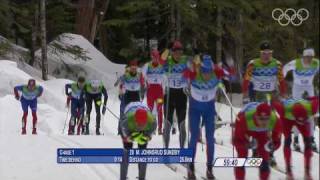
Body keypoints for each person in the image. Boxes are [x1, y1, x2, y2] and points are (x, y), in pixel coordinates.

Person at [183, 55, 224, 179]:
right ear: (201, 69)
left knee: (210, 139)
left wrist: (222, 85)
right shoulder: (194, 73)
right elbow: (184, 75)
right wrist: (189, 73)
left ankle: (210, 168)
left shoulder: (216, 73)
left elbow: (231, 75)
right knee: (194, 137)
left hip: (209, 110)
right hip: (194, 109)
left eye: (209, 72)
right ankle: (190, 167)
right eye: (204, 72)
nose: (206, 75)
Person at [273, 97, 319, 180]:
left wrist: (309, 98)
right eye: (300, 121)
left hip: (300, 113)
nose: (301, 123)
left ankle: (307, 172)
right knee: (287, 140)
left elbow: (317, 98)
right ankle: (289, 171)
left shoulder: (312, 108)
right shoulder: (283, 110)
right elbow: (273, 102)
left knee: (308, 142)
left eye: (303, 120)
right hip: (286, 119)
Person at [233, 102, 282, 180]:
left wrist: (272, 146)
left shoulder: (275, 120)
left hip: (262, 133)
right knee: (241, 158)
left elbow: (277, 141)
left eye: (267, 119)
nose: (264, 122)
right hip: (247, 129)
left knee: (264, 160)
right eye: (261, 119)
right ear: (256, 116)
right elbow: (235, 141)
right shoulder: (243, 119)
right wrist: (247, 145)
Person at [283, 48, 319, 152]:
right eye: (307, 57)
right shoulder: (296, 63)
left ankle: (311, 139)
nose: (309, 59)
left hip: (309, 87)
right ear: (303, 57)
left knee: (311, 114)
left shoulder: (316, 63)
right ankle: (296, 139)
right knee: (296, 113)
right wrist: (282, 81)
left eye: (311, 57)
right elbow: (284, 69)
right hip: (297, 88)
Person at [162, 40, 190, 148]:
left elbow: (194, 71)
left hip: (181, 95)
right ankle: (166, 148)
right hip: (169, 94)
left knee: (182, 124)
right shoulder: (168, 61)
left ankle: (182, 150)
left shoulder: (185, 61)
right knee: (168, 123)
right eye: (176, 52)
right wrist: (167, 50)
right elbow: (160, 61)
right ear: (172, 52)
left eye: (180, 52)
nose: (178, 55)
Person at [120, 102, 157, 180]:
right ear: (135, 120)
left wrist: (148, 137)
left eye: (142, 124)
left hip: (143, 111)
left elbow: (149, 136)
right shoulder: (126, 122)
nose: (140, 127)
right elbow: (125, 136)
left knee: (143, 151)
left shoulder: (152, 122)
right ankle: (122, 177)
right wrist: (129, 137)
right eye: (139, 124)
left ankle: (142, 177)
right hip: (129, 112)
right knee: (127, 150)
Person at [142, 49, 165, 135]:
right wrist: (143, 85)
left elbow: (165, 77)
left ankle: (159, 129)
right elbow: (142, 77)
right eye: (154, 57)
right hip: (150, 90)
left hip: (159, 91)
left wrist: (165, 89)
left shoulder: (161, 66)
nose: (155, 59)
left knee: (159, 109)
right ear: (152, 57)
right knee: (150, 109)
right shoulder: (147, 65)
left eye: (157, 57)